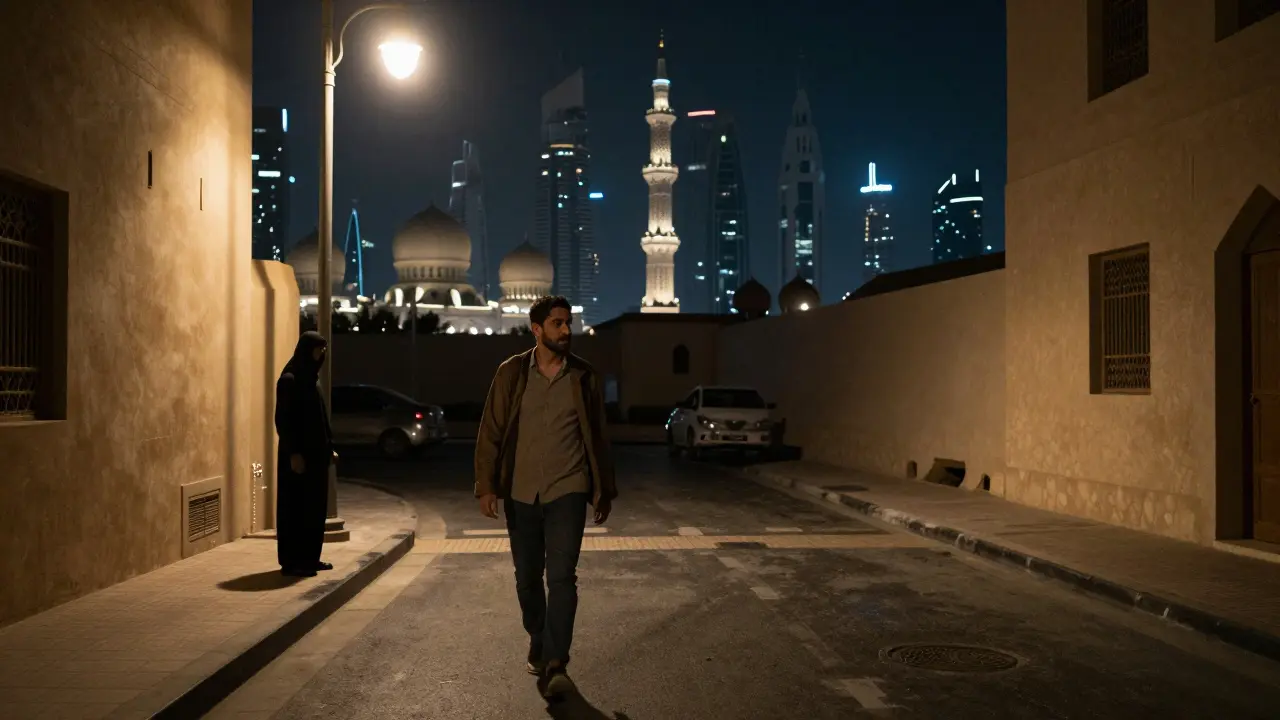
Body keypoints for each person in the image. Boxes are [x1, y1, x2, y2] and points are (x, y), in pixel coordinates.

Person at [475, 295, 617, 698]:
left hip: (567, 491)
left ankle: (557, 662)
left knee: (562, 578)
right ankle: (538, 635)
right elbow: (491, 431)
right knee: (527, 580)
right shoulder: (512, 373)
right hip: (521, 493)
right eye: (557, 324)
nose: (566, 330)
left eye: (568, 323)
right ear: (536, 330)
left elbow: (599, 439)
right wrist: (487, 486)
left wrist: (603, 489)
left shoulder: (583, 377)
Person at [275, 330, 338, 578]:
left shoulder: (313, 380)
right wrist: (294, 454)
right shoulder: (290, 380)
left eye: (324, 350)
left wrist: (329, 447)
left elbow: (321, 420)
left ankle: (311, 558)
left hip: (317, 457)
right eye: (318, 349)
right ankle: (293, 561)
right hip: (298, 459)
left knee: (314, 509)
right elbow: (284, 421)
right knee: (296, 508)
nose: (322, 354)